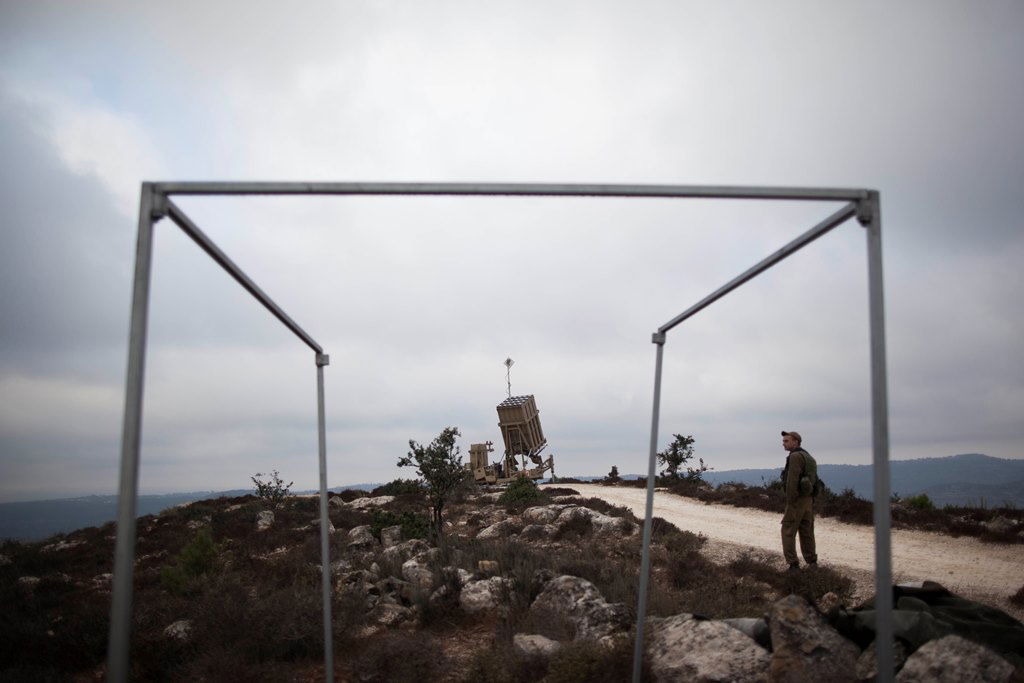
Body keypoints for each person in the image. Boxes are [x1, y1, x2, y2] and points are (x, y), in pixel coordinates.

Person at [780, 430, 817, 571]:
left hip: (797, 501)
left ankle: (793, 564)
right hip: (808, 500)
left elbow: (792, 481)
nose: (783, 444)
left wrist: (790, 501)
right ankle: (812, 562)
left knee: (788, 530)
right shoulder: (808, 457)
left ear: (796, 441)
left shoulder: (795, 456)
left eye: (786, 441)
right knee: (807, 532)